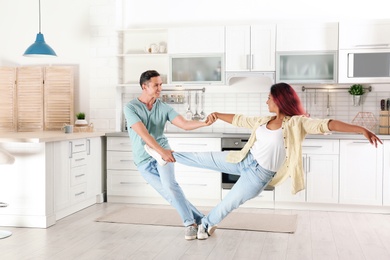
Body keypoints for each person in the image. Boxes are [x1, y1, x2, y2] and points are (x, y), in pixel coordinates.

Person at [145, 82, 383, 240]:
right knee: (201, 158)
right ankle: (165, 155)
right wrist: (217, 115)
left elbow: (327, 124)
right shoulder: (263, 120)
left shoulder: (297, 122)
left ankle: (205, 225)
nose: (265, 101)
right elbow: (240, 119)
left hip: (258, 175)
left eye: (268, 98)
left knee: (229, 202)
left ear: (279, 100)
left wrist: (360, 129)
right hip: (242, 160)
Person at [123, 70, 213, 240]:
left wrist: (204, 123)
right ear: (144, 86)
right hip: (144, 159)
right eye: (156, 85)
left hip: (163, 153)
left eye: (161, 84)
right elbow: (144, 135)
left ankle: (189, 224)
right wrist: (161, 151)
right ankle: (202, 220)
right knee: (168, 193)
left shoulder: (163, 107)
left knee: (171, 187)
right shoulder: (130, 108)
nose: (160, 88)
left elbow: (184, 124)